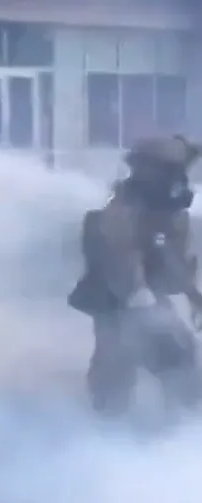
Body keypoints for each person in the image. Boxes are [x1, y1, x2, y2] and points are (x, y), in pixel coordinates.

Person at [68, 135, 202, 416]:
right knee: (116, 374)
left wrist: (193, 297)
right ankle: (106, 436)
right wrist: (147, 306)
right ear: (147, 171)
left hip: (147, 301)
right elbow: (123, 265)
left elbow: (173, 262)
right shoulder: (119, 213)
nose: (180, 178)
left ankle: (177, 432)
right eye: (172, 170)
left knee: (182, 363)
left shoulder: (168, 213)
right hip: (116, 306)